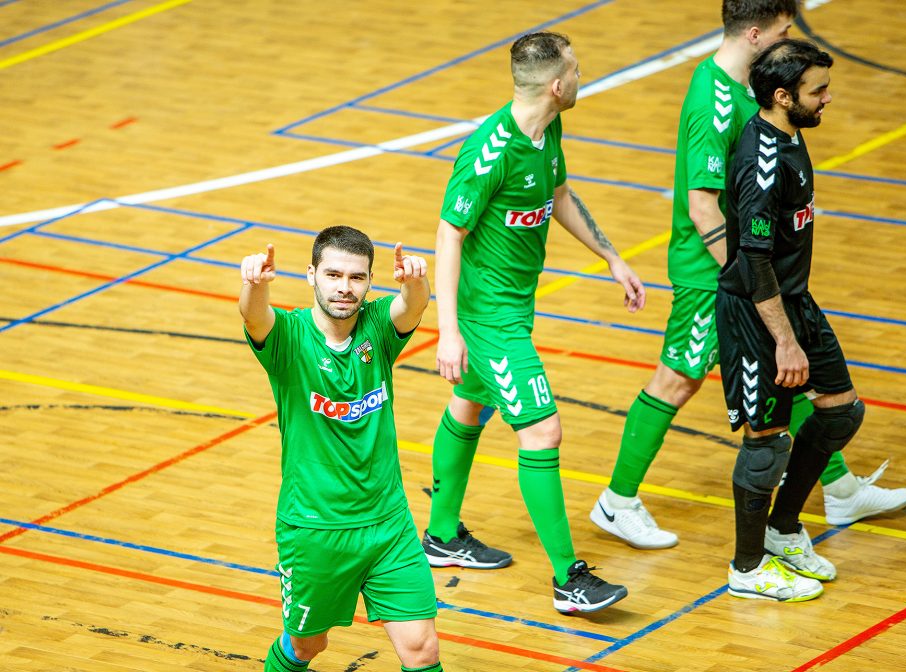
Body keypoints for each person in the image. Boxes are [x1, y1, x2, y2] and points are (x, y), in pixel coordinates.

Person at [591, 0, 906, 550]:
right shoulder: (711, 101)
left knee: (785, 369)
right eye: (786, 31)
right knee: (678, 378)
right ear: (758, 32)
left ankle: (837, 486)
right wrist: (748, 281)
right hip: (712, 275)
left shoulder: (743, 87)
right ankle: (617, 503)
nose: (790, 41)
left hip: (745, 273)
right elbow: (701, 207)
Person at [423, 31, 642, 614]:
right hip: (489, 318)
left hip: (514, 306)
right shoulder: (489, 151)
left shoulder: (548, 130)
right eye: (577, 68)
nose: (581, 76)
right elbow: (449, 234)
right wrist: (450, 330)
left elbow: (560, 193)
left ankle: (442, 537)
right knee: (542, 432)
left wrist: (612, 257)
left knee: (468, 407)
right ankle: (569, 579)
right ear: (555, 84)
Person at [240, 227, 445, 672]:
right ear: (311, 274)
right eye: (333, 275)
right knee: (306, 647)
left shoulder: (376, 329)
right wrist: (254, 286)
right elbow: (256, 319)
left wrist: (415, 282)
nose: (344, 287)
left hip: (388, 524)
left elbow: (412, 307)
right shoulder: (290, 338)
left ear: (370, 282)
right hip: (316, 530)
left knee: (421, 647)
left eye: (356, 277)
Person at [719, 38, 860, 601]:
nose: (828, 98)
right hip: (757, 312)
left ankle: (782, 530)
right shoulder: (762, 161)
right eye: (817, 90)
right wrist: (784, 341)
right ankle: (747, 569)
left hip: (796, 299)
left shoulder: (792, 133)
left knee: (840, 411)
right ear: (782, 96)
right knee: (766, 441)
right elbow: (752, 261)